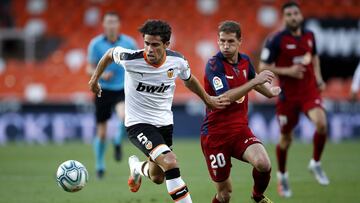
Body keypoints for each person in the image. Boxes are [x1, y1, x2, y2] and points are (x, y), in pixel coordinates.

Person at [89, 19, 230, 203]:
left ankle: (137, 168)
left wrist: (207, 99)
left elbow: (189, 80)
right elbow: (109, 54)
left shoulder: (177, 61)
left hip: (164, 124)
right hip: (138, 124)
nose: (149, 49)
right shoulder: (131, 59)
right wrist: (94, 80)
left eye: (155, 45)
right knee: (170, 162)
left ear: (166, 44)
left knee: (157, 177)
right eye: (147, 43)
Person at [200, 21, 281, 203]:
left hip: (239, 131)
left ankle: (257, 196)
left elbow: (252, 79)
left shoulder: (245, 61)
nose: (225, 46)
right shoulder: (214, 65)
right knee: (225, 195)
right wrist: (254, 82)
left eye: (230, 41)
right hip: (215, 135)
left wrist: (270, 93)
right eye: (222, 41)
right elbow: (226, 97)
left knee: (263, 164)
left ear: (239, 42)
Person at [259, 1, 330, 198]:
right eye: (289, 14)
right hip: (287, 96)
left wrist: (319, 77)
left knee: (322, 124)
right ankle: (282, 175)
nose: (293, 17)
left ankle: (315, 163)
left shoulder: (310, 36)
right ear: (284, 18)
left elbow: (314, 57)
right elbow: (262, 65)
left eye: (295, 13)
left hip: (308, 92)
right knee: (286, 139)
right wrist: (287, 71)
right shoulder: (276, 40)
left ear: (300, 16)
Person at [87, 12, 137, 179]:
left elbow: (136, 65)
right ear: (103, 24)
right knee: (101, 132)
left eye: (114, 22)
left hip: (122, 88)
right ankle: (99, 165)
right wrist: (100, 75)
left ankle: (117, 141)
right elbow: (89, 68)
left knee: (124, 116)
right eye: (108, 22)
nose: (111, 25)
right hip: (103, 90)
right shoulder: (95, 44)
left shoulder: (129, 43)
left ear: (119, 24)